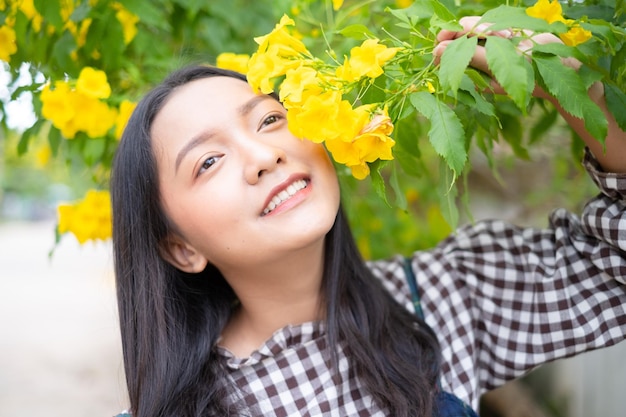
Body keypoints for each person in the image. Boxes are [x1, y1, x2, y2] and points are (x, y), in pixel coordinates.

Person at [110, 16, 626, 417]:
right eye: (209, 161)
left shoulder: (449, 293)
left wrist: (579, 93)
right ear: (181, 247)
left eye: (270, 118)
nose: (264, 156)